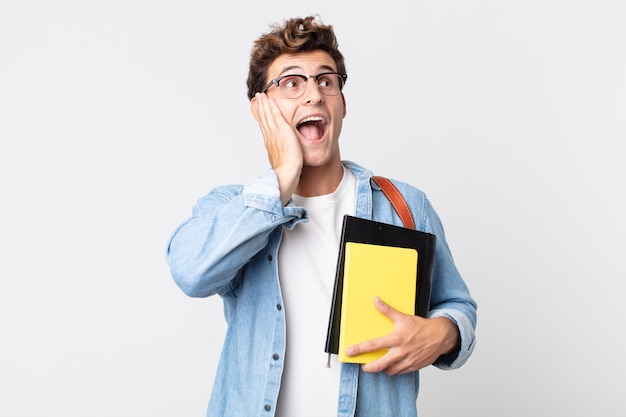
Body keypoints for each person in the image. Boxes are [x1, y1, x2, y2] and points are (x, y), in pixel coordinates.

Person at [165, 15, 477, 417]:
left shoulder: (403, 205)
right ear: (262, 109)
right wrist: (280, 178)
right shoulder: (233, 209)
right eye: (292, 83)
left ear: (342, 104)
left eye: (325, 81)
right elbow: (189, 271)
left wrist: (445, 332)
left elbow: (457, 306)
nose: (314, 94)